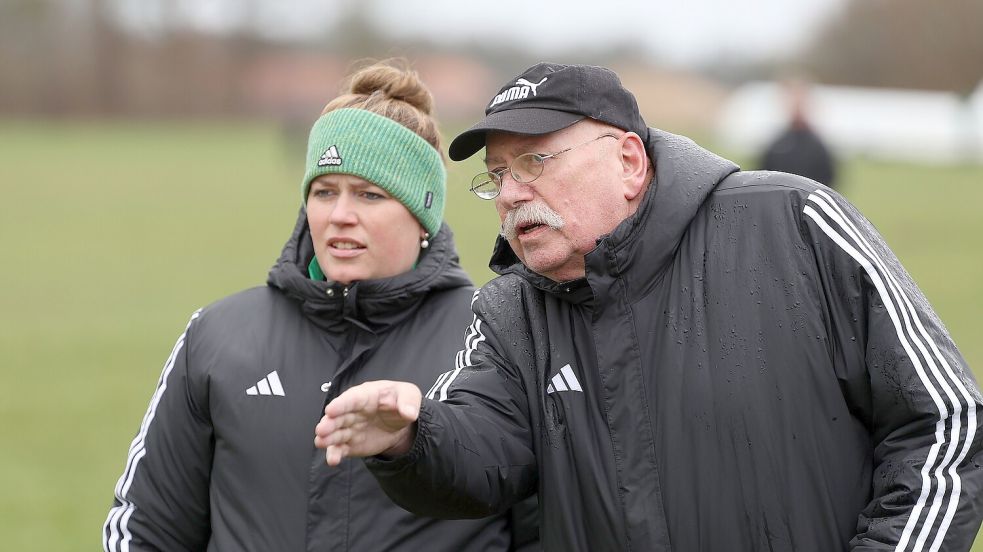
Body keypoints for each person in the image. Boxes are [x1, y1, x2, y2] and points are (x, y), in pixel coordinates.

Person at [314, 62, 983, 551]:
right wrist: (410, 438)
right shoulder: (510, 309)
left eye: (535, 162)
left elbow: (943, 421)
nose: (512, 193)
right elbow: (481, 452)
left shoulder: (793, 222)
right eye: (498, 175)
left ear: (629, 161)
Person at [103, 60, 539, 552]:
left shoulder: (495, 334)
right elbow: (147, 529)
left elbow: (545, 527)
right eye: (324, 192)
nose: (340, 216)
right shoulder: (219, 335)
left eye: (369, 195)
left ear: (423, 215)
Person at [759, 78, 838, 189]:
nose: (797, 106)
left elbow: (829, 181)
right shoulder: (776, 146)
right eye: (792, 100)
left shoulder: (818, 147)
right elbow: (761, 179)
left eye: (801, 100)